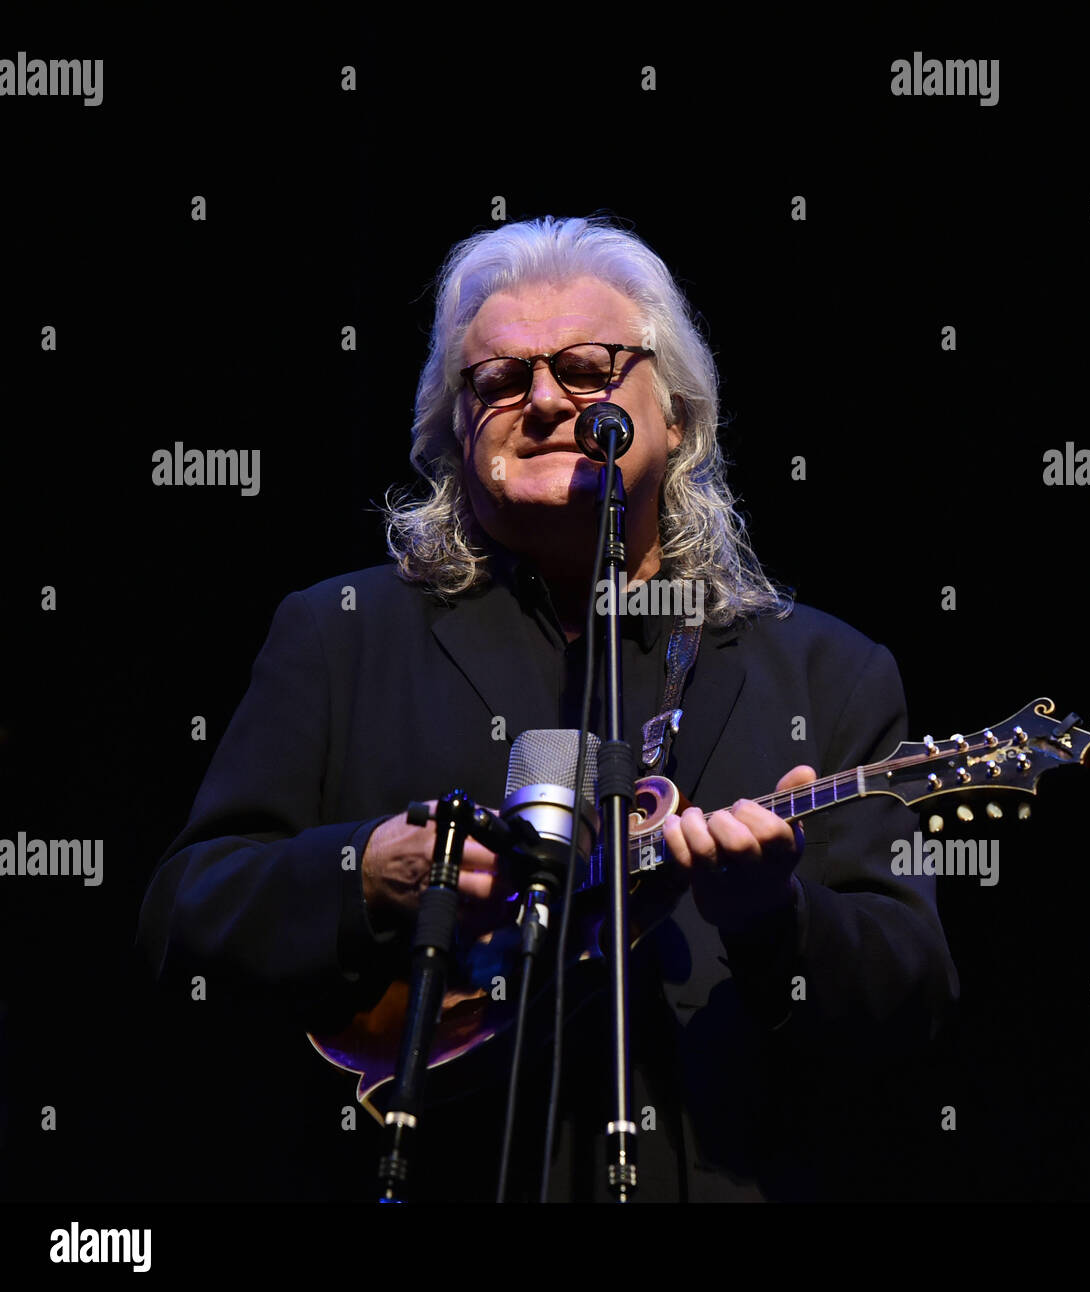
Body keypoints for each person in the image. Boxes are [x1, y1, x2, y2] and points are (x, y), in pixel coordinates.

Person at [137, 214, 960, 1202]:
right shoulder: (341, 632)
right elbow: (184, 916)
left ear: (675, 417)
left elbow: (910, 997)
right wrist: (363, 872)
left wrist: (772, 919)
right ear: (451, 429)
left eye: (587, 366)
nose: (541, 399)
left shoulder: (829, 671)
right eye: (495, 381)